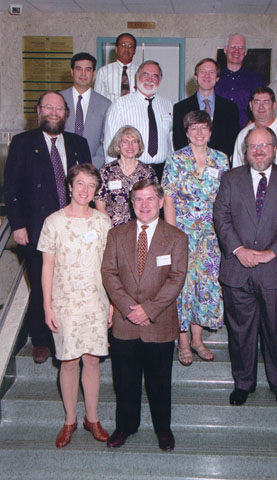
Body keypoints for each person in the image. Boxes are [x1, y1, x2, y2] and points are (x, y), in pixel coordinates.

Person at [213, 127, 277, 408]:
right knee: (240, 334)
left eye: (265, 145)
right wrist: (239, 250)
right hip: (237, 269)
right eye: (253, 146)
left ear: (275, 148)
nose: (259, 150)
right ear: (245, 150)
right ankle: (243, 383)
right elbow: (221, 216)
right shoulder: (230, 178)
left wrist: (271, 253)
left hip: (274, 270)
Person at [4, 91, 91, 364]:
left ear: (66, 113)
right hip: (36, 228)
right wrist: (17, 225)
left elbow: (88, 184)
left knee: (71, 284)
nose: (54, 112)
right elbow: (12, 188)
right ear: (38, 111)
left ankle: (70, 335)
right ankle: (41, 339)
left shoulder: (79, 143)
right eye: (48, 107)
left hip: (73, 228)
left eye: (59, 108)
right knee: (42, 284)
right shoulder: (22, 143)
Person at [101, 179, 188, 452]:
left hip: (159, 323)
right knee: (125, 382)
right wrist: (129, 308)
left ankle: (163, 430)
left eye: (150, 199)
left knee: (160, 382)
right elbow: (109, 273)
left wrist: (148, 310)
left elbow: (177, 278)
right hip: (125, 324)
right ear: (131, 203)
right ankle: (126, 426)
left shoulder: (176, 237)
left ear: (161, 202)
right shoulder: (117, 235)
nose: (144, 205)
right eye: (138, 199)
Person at [38, 163, 112, 448]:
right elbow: (47, 267)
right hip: (65, 302)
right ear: (70, 186)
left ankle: (91, 418)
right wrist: (47, 306)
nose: (85, 190)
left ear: (96, 191)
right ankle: (70, 419)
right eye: (80, 183)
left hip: (96, 300)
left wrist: (112, 304)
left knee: (92, 360)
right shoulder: (53, 222)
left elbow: (109, 267)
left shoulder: (102, 222)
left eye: (91, 186)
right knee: (69, 361)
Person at [163, 110, 228, 366]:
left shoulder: (221, 159)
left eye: (203, 128)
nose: (199, 133)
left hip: (211, 235)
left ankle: (198, 339)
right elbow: (168, 198)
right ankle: (182, 340)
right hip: (184, 233)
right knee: (183, 286)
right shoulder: (176, 159)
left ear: (210, 131)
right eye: (194, 128)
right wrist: (172, 236)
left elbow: (226, 199)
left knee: (206, 285)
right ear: (186, 132)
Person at [104, 60, 173, 181]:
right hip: (131, 171)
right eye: (145, 74)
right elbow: (110, 144)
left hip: (163, 172)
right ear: (136, 77)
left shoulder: (168, 105)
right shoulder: (120, 105)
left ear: (160, 80)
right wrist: (115, 176)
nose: (149, 79)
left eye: (155, 76)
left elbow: (171, 142)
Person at [173, 58, 239, 158]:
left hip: (219, 163)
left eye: (211, 72)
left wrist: (216, 159)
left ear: (217, 78)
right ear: (196, 76)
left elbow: (232, 139)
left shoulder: (230, 108)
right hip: (189, 164)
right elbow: (179, 139)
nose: (207, 76)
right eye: (202, 72)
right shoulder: (180, 108)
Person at [95, 125, 157, 227]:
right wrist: (110, 228)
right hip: (113, 229)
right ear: (118, 145)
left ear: (139, 145)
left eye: (134, 141)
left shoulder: (147, 172)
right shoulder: (106, 171)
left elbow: (154, 202)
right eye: (125, 141)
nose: (130, 146)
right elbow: (99, 204)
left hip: (141, 227)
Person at [61, 52, 111, 169]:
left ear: (94, 73)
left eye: (88, 69)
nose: (83, 74)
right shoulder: (58, 100)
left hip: (93, 169)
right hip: (61, 166)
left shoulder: (105, 104)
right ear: (72, 71)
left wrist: (91, 166)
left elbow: (106, 141)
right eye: (79, 69)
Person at [232, 86, 277, 167]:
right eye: (257, 102)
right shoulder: (243, 135)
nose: (261, 107)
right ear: (251, 106)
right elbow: (237, 168)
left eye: (266, 102)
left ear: (274, 105)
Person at [215, 33, 264, 128]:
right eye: (233, 47)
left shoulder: (256, 80)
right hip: (218, 134)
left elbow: (262, 108)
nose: (236, 51)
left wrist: (248, 129)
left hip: (248, 134)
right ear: (225, 50)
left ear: (245, 52)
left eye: (241, 48)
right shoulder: (214, 78)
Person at [94, 33, 138, 102]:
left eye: (130, 46)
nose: (126, 49)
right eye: (123, 45)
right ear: (116, 48)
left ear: (134, 51)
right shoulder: (103, 72)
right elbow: (97, 101)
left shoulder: (140, 72)